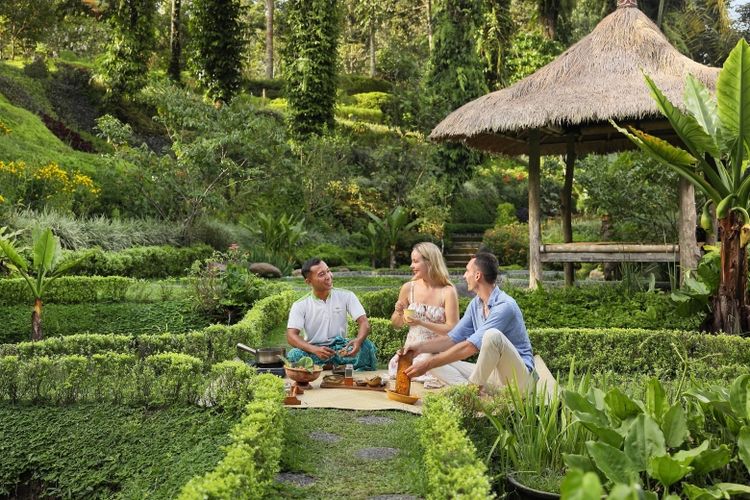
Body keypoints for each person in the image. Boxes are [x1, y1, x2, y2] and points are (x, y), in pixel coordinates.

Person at [402, 251, 535, 393]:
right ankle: (474, 392)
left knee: (492, 335)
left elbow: (470, 347)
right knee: (432, 359)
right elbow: (452, 339)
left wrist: (427, 365)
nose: (464, 276)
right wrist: (419, 348)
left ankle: (470, 394)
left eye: (467, 271)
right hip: (492, 376)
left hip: (520, 381)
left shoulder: (505, 306)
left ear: (477, 276)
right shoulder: (475, 304)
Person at [388, 242, 459, 388]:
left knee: (428, 366)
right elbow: (396, 324)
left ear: (430, 262)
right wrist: (398, 311)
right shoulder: (408, 288)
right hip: (411, 352)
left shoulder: (448, 291)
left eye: (415, 261)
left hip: (436, 352)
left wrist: (421, 322)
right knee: (396, 364)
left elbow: (453, 329)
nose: (411, 266)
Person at [286, 257, 377, 370]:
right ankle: (339, 367)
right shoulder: (300, 305)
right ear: (309, 282)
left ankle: (324, 367)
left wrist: (358, 341)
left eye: (328, 271)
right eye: (321, 274)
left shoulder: (347, 296)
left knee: (366, 346)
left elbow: (364, 323)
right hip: (314, 351)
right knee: (294, 355)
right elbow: (291, 336)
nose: (328, 276)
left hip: (341, 349)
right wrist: (314, 349)